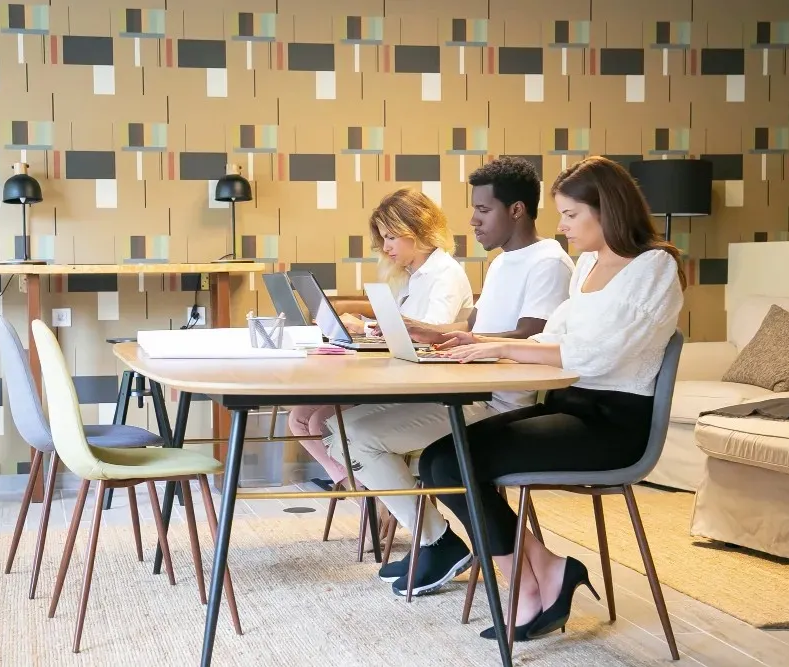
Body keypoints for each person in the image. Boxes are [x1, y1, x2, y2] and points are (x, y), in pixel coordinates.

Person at [417, 155, 685, 641]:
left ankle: (525, 590)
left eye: (570, 215)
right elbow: (553, 337)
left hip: (613, 426)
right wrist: (485, 344)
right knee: (437, 460)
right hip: (569, 408)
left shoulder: (655, 266)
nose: (561, 228)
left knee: (456, 461)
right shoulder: (587, 263)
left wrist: (504, 347)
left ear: (608, 209)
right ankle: (544, 570)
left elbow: (600, 355)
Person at [323, 157, 574, 596]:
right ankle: (435, 541)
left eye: (483, 210)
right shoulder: (501, 263)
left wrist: (446, 336)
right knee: (341, 427)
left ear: (516, 210)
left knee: (359, 437)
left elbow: (530, 336)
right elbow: (471, 330)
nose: (472, 221)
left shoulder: (548, 262)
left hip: (499, 404)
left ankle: (436, 542)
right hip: (467, 390)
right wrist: (423, 331)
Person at [288, 188, 474, 487]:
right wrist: (366, 326)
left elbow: (431, 332)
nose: (385, 247)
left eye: (391, 237)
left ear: (417, 229)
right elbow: (402, 327)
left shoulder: (444, 274)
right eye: (383, 238)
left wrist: (365, 329)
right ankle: (361, 489)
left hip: (428, 387)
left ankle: (369, 495)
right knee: (300, 418)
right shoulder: (412, 274)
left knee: (313, 420)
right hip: (404, 375)